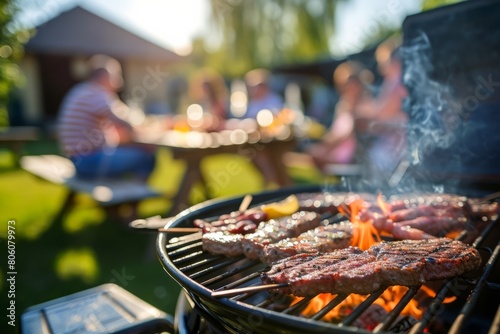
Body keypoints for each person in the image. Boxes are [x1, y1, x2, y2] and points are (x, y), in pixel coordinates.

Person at [57, 54, 156, 182]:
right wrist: (145, 132)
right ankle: (132, 197)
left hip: (78, 159)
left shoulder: (81, 90)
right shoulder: (97, 94)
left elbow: (121, 120)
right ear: (105, 77)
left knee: (130, 153)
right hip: (89, 162)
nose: (120, 81)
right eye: (116, 75)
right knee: (147, 158)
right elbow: (125, 124)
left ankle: (124, 192)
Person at [307, 61, 373, 169]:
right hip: (335, 149)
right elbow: (335, 131)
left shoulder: (365, 105)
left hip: (353, 155)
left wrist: (326, 148)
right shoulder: (343, 105)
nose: (347, 88)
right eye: (343, 85)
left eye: (350, 84)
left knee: (314, 156)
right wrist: (324, 141)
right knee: (310, 152)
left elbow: (347, 134)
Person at [357, 43, 408, 182]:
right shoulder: (395, 80)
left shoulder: (397, 80)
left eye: (383, 63)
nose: (381, 69)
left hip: (398, 147)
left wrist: (362, 109)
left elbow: (382, 113)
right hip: (395, 143)